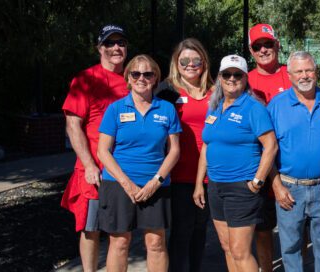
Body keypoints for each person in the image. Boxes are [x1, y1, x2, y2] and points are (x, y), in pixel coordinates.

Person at [192, 54, 278, 272]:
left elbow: (271, 146)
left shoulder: (253, 108)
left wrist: (258, 180)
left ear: (245, 78)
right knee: (227, 247)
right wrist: (199, 183)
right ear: (219, 78)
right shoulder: (214, 107)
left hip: (242, 188)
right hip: (216, 186)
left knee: (240, 251)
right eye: (227, 74)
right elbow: (206, 146)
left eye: (237, 74)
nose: (231, 78)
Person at [97, 54, 181, 272]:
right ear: (128, 77)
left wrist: (155, 182)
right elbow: (103, 151)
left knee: (156, 244)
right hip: (118, 185)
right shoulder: (115, 109)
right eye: (136, 73)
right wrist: (127, 184)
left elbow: (174, 151)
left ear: (155, 78)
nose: (141, 78)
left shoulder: (167, 109)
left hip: (156, 184)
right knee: (119, 243)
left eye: (148, 74)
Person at [60, 24, 129, 272]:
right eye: (110, 43)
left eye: (121, 42)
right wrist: (89, 164)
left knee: (120, 233)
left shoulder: (134, 79)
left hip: (125, 170)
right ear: (99, 48)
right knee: (91, 229)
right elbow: (72, 124)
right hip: (95, 171)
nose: (116, 48)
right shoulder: (86, 79)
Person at [267, 51, 320, 272]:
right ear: (289, 75)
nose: (305, 75)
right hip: (289, 189)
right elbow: (266, 150)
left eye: (309, 70)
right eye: (299, 71)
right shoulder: (276, 105)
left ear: (316, 72)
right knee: (290, 248)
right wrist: (276, 186)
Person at [155, 38, 214, 272]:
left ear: (204, 62)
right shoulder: (166, 90)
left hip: (210, 174)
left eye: (196, 59)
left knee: (200, 231)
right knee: (181, 232)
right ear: (176, 63)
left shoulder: (216, 91)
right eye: (184, 60)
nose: (191, 64)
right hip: (179, 174)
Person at [247, 23, 292, 272]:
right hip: (261, 165)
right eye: (257, 46)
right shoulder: (244, 80)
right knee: (263, 230)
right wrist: (273, 181)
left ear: (277, 45)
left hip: (293, 165)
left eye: (268, 44)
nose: (263, 50)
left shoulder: (292, 74)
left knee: (295, 230)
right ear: (251, 51)